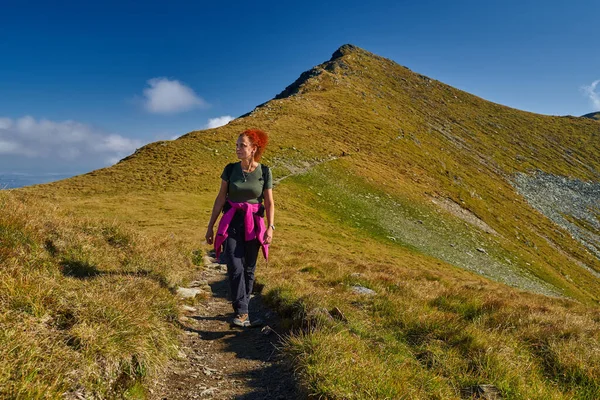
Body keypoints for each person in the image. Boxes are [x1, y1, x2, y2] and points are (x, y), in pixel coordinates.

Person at [205, 129, 274, 327]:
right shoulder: (230, 169)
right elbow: (220, 198)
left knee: (249, 268)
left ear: (254, 149)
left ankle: (243, 310)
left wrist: (271, 227)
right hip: (233, 221)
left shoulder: (265, 172)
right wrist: (211, 226)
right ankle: (242, 312)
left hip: (254, 223)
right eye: (236, 145)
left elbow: (269, 203)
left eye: (242, 145)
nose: (237, 149)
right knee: (235, 265)